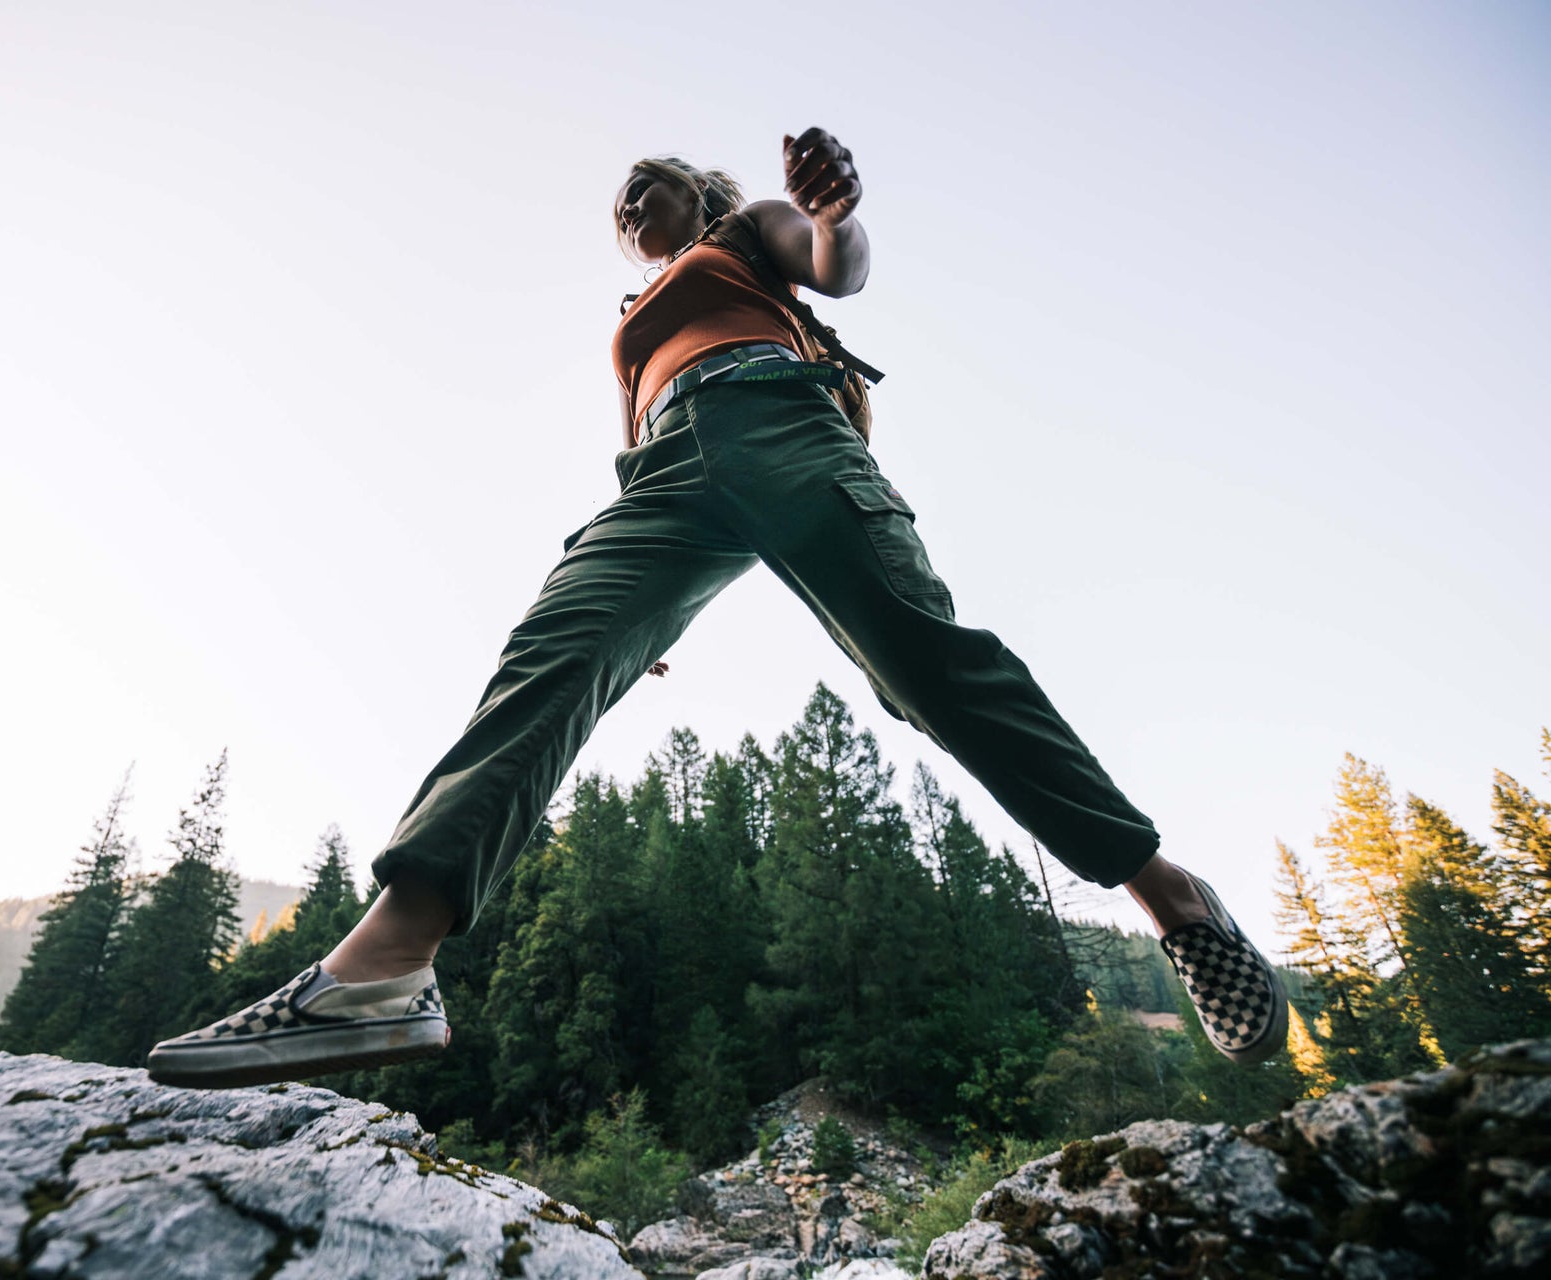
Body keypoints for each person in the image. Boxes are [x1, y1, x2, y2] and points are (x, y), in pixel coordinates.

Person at [144, 128, 1287, 1090]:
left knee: (926, 670)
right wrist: (631, 616)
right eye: (617, 197)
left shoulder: (746, 241)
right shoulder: (632, 319)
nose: (629, 197)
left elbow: (836, 267)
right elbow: (641, 435)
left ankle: (1166, 890)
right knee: (552, 651)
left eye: (651, 179)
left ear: (704, 193)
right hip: (665, 477)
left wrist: (833, 213)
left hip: (779, 419)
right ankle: (381, 969)